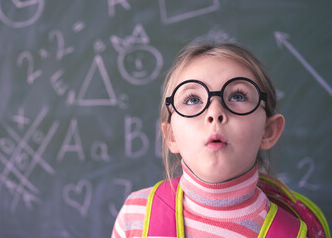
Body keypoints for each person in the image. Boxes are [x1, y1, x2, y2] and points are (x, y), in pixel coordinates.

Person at [111, 41, 329, 238]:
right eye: (193, 99)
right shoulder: (136, 217)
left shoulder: (300, 232)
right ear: (171, 135)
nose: (214, 112)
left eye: (237, 96)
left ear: (268, 131)